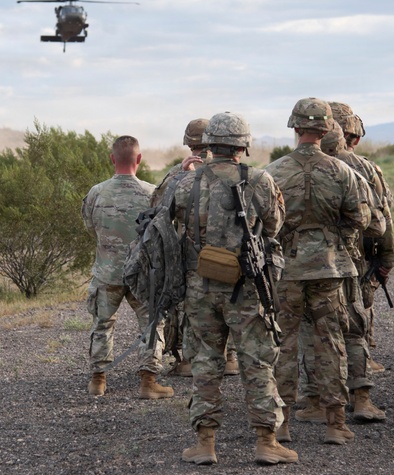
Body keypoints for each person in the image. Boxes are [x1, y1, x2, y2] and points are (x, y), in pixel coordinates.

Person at [173, 112, 297, 466]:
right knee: (257, 362)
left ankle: (205, 443)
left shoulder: (186, 183)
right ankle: (266, 441)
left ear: (210, 144)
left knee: (206, 362)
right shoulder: (260, 180)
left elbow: (167, 226)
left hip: (200, 287)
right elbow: (274, 227)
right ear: (243, 145)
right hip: (246, 288)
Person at [265, 99, 370, 445]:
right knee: (331, 343)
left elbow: (261, 223)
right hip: (330, 267)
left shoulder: (274, 172)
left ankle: (281, 424)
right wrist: (336, 233)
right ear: (326, 130)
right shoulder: (343, 172)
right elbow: (362, 219)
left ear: (295, 128)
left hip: (288, 270)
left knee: (284, 344)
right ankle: (335, 423)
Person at [295, 118, 388, 425]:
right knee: (353, 328)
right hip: (348, 264)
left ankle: (314, 401)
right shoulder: (354, 174)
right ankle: (360, 399)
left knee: (309, 332)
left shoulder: (286, 171)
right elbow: (378, 223)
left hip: (299, 267)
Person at [81, 135, 173, 400]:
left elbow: (90, 227)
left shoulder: (97, 192)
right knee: (151, 325)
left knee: (102, 324)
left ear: (112, 159)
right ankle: (148, 381)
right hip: (142, 275)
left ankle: (98, 380)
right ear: (139, 159)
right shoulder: (152, 193)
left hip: (107, 272)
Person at [153, 119, 240, 378]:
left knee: (194, 309)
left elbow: (158, 210)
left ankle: (191, 360)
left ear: (190, 144)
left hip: (195, 258)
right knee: (233, 303)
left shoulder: (180, 173)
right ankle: (231, 357)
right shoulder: (239, 172)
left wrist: (181, 175)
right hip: (235, 258)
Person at [329, 103, 394, 375]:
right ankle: (361, 366)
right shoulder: (365, 168)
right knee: (358, 308)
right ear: (353, 138)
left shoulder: (290, 166)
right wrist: (388, 258)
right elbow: (383, 218)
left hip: (309, 258)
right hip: (359, 255)